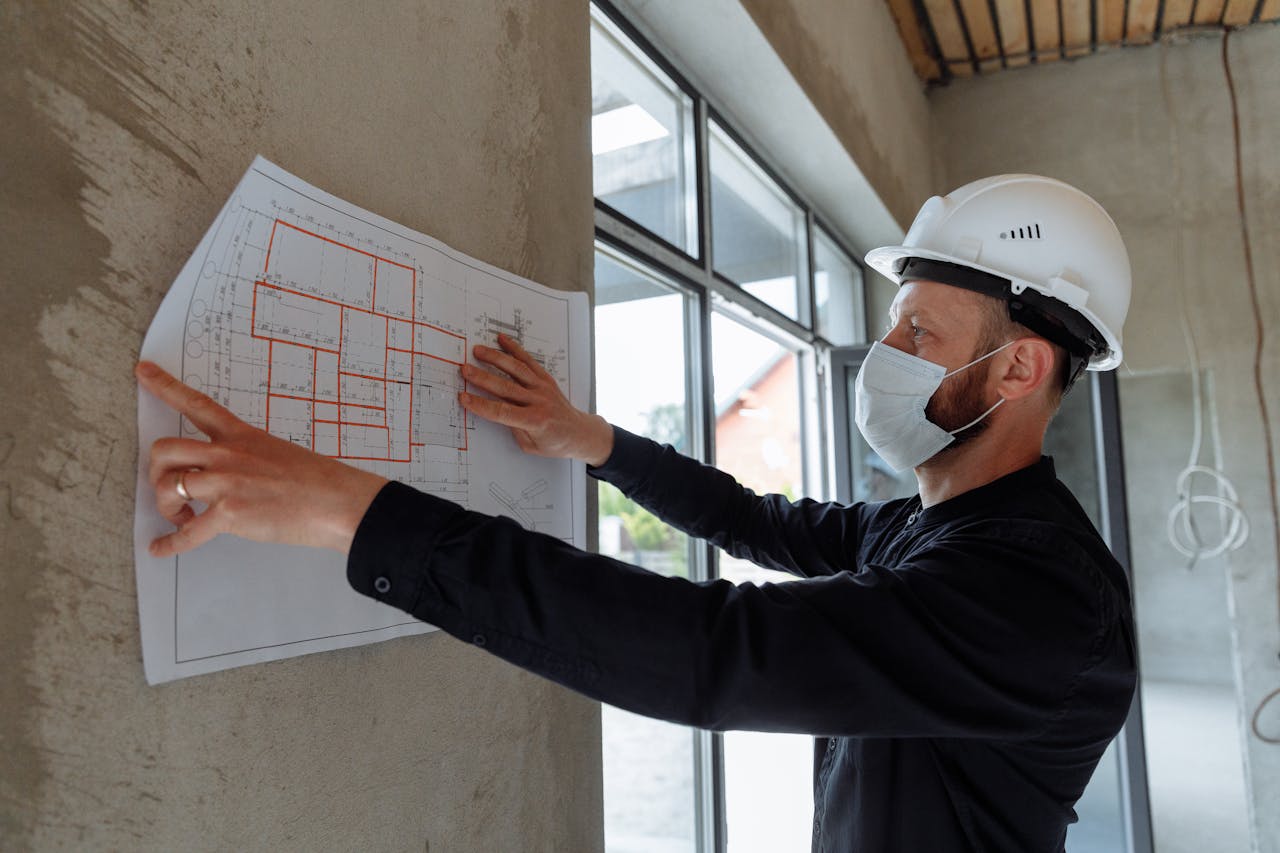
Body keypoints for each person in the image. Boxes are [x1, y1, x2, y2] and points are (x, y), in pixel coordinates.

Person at [138, 174, 1137, 852]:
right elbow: (756, 520)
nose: (884, 351)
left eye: (917, 329)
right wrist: (593, 440)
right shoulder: (924, 528)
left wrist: (357, 512)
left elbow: (713, 653)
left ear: (1014, 365)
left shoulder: (1035, 592)